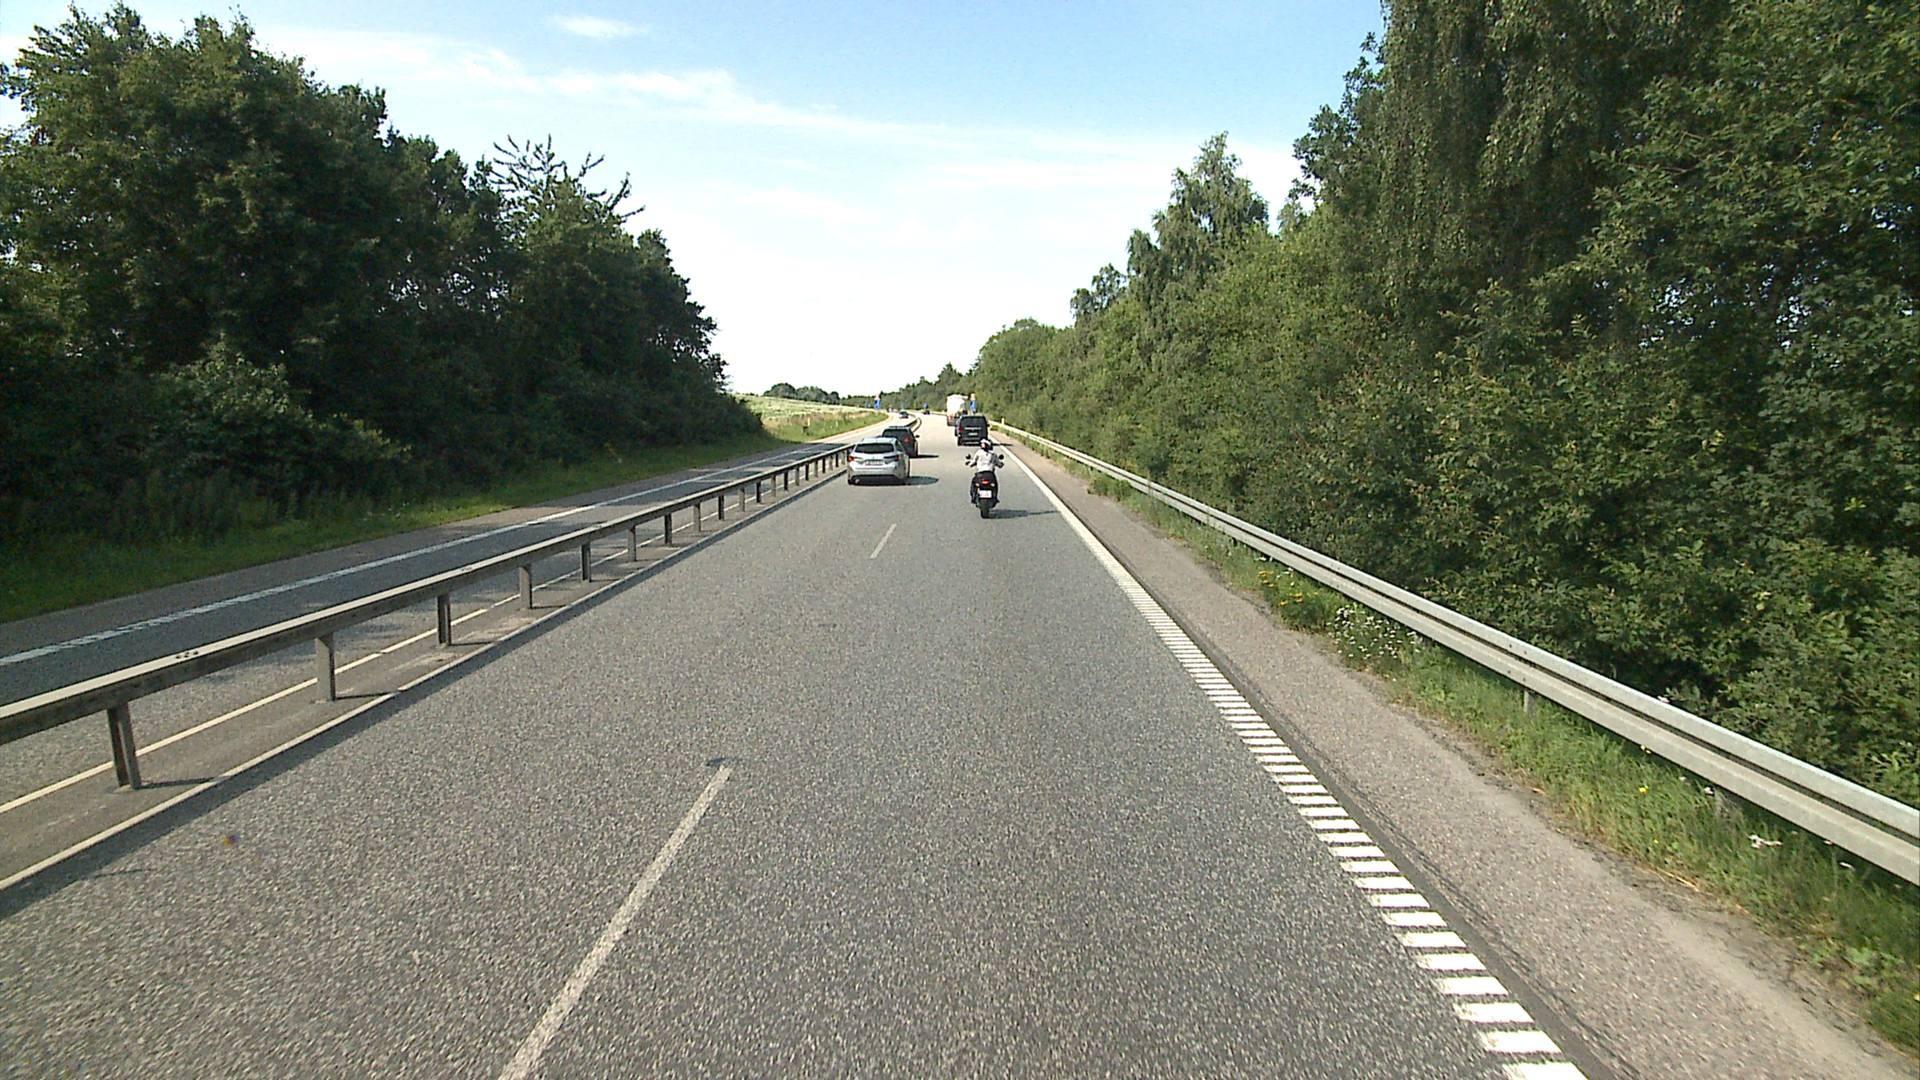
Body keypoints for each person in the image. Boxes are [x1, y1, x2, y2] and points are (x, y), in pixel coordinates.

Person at [967, 437, 1003, 503]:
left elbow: (973, 462)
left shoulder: (978, 453)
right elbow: (999, 464)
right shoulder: (993, 454)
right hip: (990, 474)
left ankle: (973, 497)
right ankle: (995, 497)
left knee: (973, 483)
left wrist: (969, 464)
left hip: (980, 474)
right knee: (995, 485)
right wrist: (1001, 464)